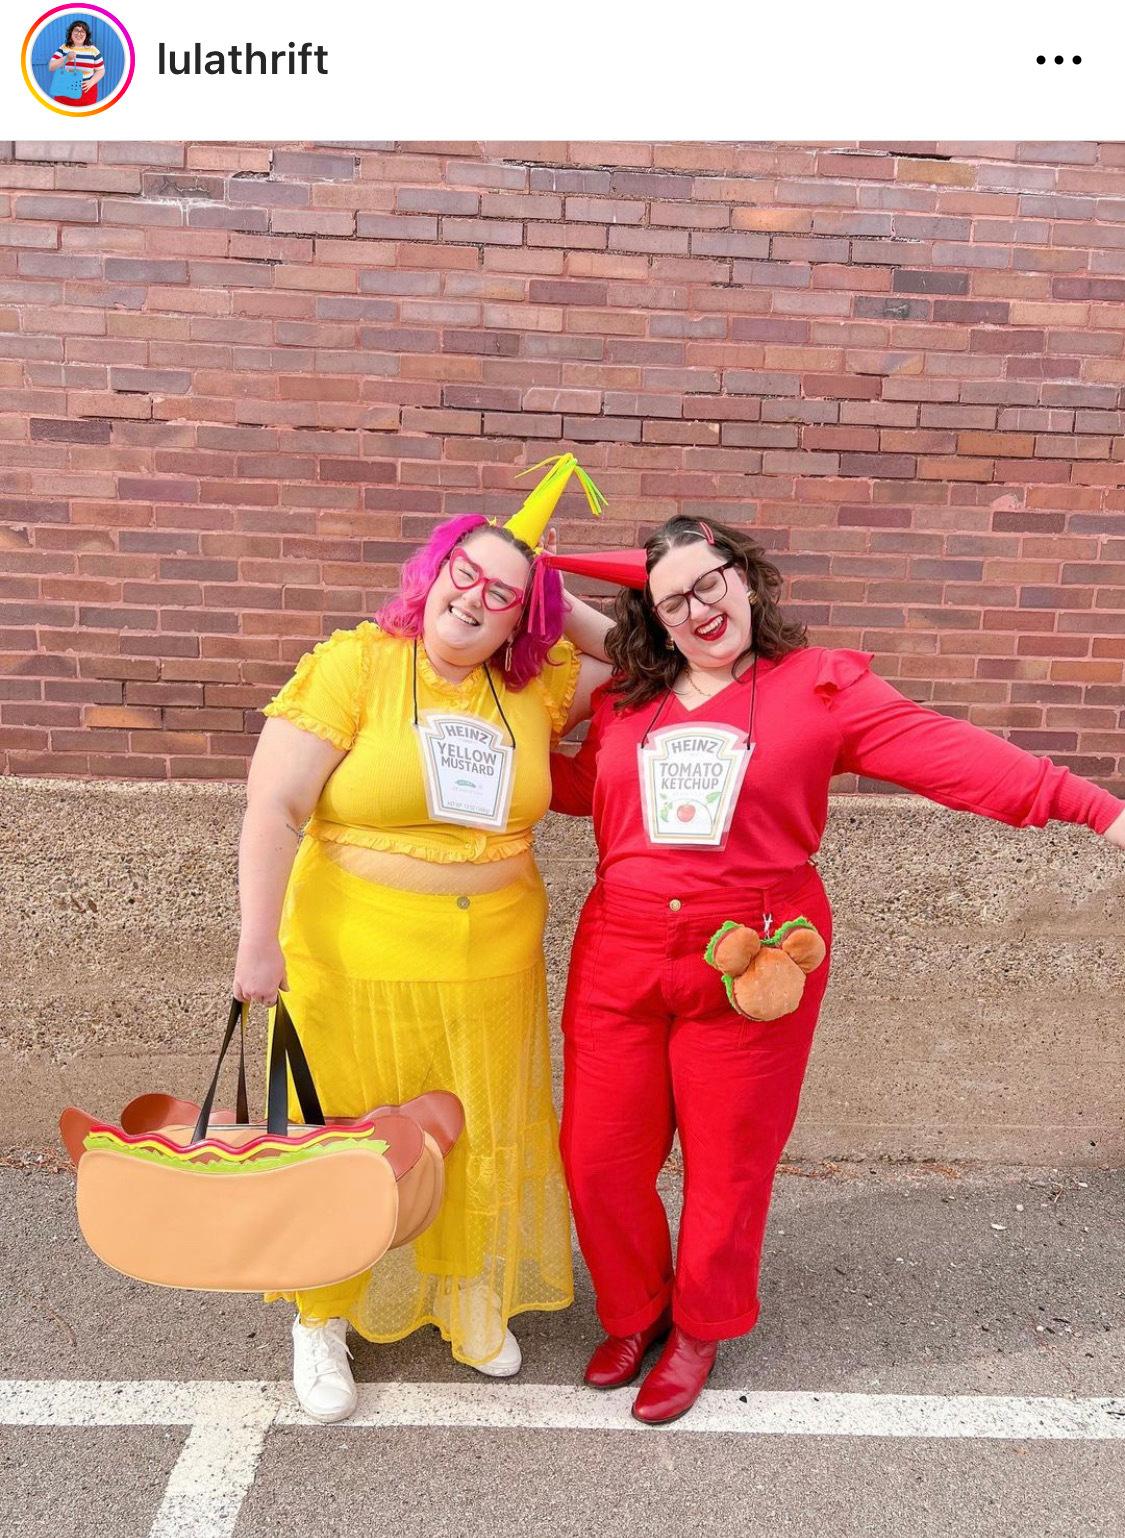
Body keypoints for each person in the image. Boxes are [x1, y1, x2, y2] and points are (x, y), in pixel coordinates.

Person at [545, 514, 1125, 1426]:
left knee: (728, 1165)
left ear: (746, 579)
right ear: (652, 620)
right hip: (618, 953)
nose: (697, 610)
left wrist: (1091, 808)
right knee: (597, 1158)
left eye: (710, 584)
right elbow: (587, 792)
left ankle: (698, 1326)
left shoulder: (818, 688)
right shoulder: (625, 699)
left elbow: (947, 755)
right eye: (672, 601)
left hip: (753, 958)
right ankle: (634, 1311)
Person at [233, 456, 612, 1421]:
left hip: (491, 963)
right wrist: (256, 942)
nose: (476, 599)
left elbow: (630, 656)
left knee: (478, 1133)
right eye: (465, 573)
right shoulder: (357, 663)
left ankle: (467, 1294)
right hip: (353, 955)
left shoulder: (531, 689)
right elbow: (275, 805)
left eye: (502, 595)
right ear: (431, 572)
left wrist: (548, 588)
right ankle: (320, 1315)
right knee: (344, 1134)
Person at [47, 19, 105, 107]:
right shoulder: (64, 48)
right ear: (71, 33)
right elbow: (51, 67)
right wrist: (66, 58)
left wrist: (92, 81)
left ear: (86, 35)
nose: (79, 33)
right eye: (76, 30)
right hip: (64, 91)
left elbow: (101, 70)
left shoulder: (93, 50)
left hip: (86, 92)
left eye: (82, 31)